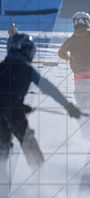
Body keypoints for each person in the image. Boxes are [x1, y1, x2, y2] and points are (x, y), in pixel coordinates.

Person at [0, 34, 82, 171]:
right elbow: (49, 88)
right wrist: (68, 106)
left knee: (2, 146)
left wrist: (19, 105)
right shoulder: (27, 69)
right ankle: (40, 173)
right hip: (15, 114)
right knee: (28, 142)